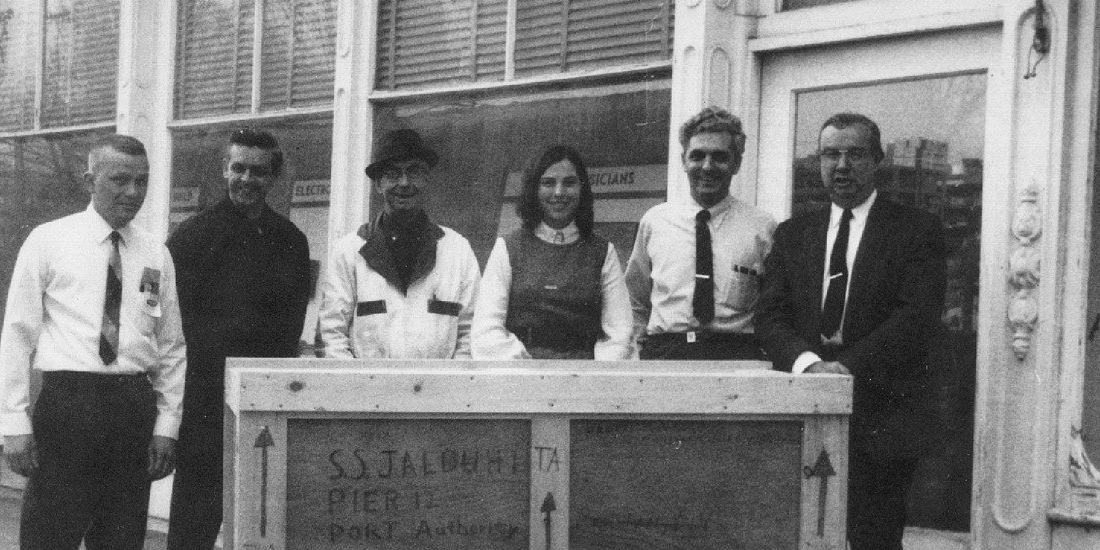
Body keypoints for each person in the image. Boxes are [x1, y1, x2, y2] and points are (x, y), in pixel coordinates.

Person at [754, 112, 945, 550]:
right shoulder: (794, 234)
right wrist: (811, 366)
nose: (841, 166)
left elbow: (914, 320)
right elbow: (771, 318)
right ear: (816, 162)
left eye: (855, 155)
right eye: (830, 155)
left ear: (878, 161)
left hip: (880, 419)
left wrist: (847, 368)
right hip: (807, 415)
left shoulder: (915, 231)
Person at [0, 133, 187, 550]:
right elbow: (18, 334)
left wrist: (167, 423)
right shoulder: (48, 241)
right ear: (90, 180)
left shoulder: (155, 252)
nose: (131, 192)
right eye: (117, 180)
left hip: (129, 407)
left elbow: (172, 345)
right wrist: (15, 422)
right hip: (69, 407)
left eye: (140, 181)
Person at [162, 128, 311, 550]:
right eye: (238, 169)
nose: (247, 180)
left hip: (263, 420)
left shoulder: (291, 244)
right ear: (223, 171)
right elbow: (172, 336)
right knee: (192, 541)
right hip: (202, 413)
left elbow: (290, 331)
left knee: (260, 544)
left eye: (258, 171)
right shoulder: (191, 239)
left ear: (274, 177)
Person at [624, 107, 776, 360]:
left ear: (736, 163)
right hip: (665, 354)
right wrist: (636, 352)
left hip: (735, 355)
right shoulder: (655, 221)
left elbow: (773, 309)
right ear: (684, 160)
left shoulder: (763, 228)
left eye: (719, 157)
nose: (707, 166)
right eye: (697, 156)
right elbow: (635, 299)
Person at [320, 128, 480, 359]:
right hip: (369, 390)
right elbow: (332, 333)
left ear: (427, 179)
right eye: (393, 174)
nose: (404, 183)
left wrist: (450, 386)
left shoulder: (457, 249)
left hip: (439, 389)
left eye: (414, 172)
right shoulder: (349, 251)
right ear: (378, 184)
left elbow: (470, 332)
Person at [471, 145, 633, 360]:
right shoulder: (508, 248)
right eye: (548, 183)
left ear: (581, 188)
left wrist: (594, 379)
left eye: (569, 183)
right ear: (534, 189)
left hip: (584, 379)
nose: (559, 192)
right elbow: (487, 330)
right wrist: (528, 373)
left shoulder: (603, 252)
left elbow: (619, 335)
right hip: (522, 376)